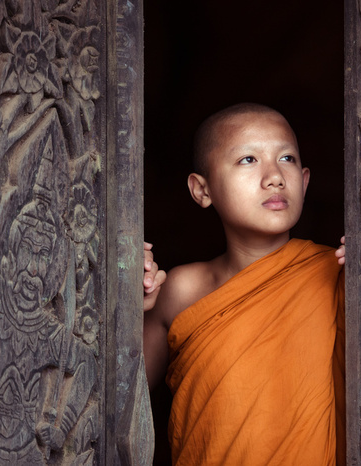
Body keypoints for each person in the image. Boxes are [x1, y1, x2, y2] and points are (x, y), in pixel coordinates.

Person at [141, 103, 346, 465]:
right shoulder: (182, 290)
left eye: (287, 159)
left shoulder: (336, 272)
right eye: (248, 160)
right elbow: (114, 394)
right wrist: (122, 305)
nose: (275, 177)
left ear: (305, 180)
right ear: (201, 190)